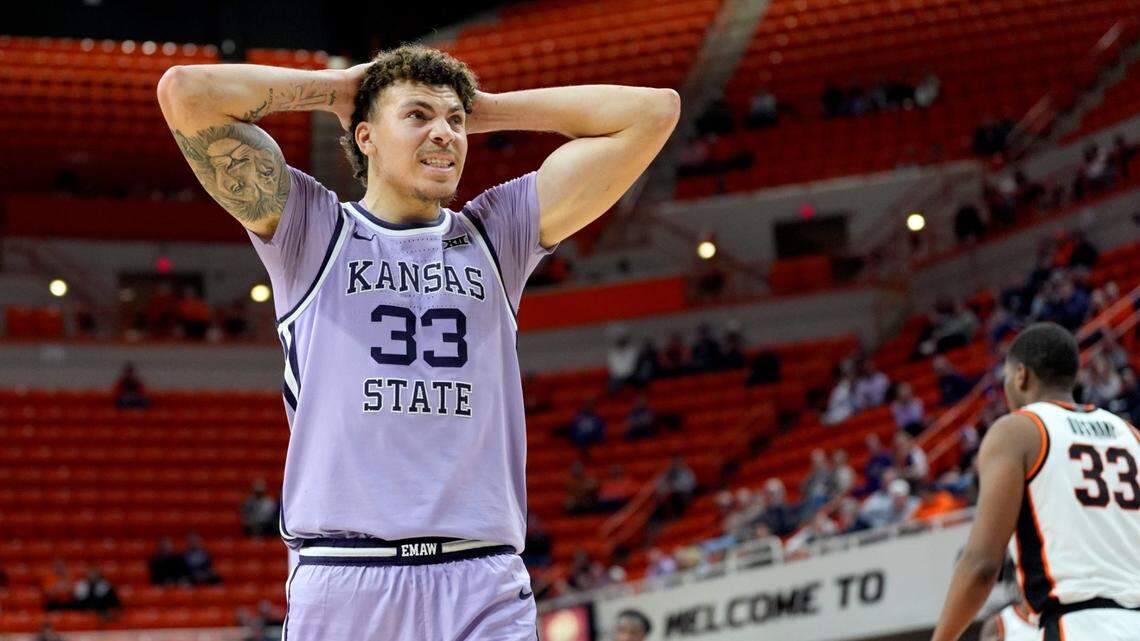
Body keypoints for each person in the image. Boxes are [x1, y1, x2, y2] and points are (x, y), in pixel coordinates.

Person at [159, 42, 678, 639]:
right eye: (417, 116)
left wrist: (487, 109)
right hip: (346, 577)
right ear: (365, 138)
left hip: (483, 578)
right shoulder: (314, 229)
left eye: (455, 121)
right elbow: (187, 93)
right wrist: (340, 88)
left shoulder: (497, 234)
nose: (445, 134)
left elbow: (654, 112)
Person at [931, 323, 1140, 641]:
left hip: (1080, 626)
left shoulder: (1019, 430)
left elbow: (982, 565)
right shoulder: (1130, 434)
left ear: (1021, 376)